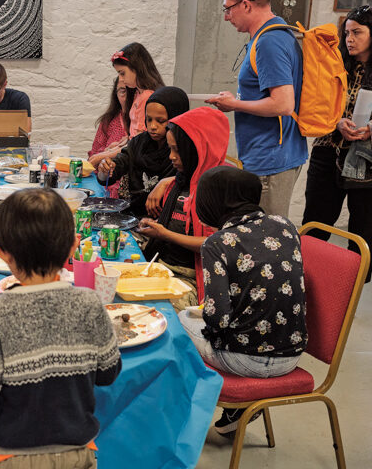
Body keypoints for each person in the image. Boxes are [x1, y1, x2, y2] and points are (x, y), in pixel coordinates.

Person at [0, 188, 121, 468]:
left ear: (0, 252)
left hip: (10, 457)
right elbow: (108, 374)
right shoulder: (89, 302)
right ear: (73, 248)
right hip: (77, 453)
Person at [181, 165, 307, 435]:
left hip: (243, 360)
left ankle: (182, 414)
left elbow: (218, 319)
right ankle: (238, 410)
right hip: (291, 356)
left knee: (177, 320)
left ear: (214, 202)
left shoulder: (217, 243)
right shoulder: (287, 226)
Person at [206, 0, 306, 218]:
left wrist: (234, 105)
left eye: (228, 9)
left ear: (246, 5)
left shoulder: (269, 42)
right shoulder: (273, 33)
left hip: (271, 157)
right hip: (271, 153)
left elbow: (283, 104)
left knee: (266, 239)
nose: (226, 17)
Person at [302, 5, 372, 283]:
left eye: (357, 32)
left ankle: (350, 288)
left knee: (363, 228)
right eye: (346, 33)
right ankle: (305, 279)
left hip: (366, 162)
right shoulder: (334, 66)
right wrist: (337, 122)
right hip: (327, 151)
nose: (349, 39)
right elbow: (314, 106)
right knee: (316, 222)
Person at [135, 107, 229, 311]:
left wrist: (165, 234)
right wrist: (155, 226)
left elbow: (217, 244)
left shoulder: (220, 189)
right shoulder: (179, 180)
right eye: (170, 149)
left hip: (191, 279)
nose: (171, 156)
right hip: (162, 266)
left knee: (157, 314)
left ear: (199, 148)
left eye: (177, 150)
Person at [95, 86, 189, 218]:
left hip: (168, 222)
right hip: (134, 216)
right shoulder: (139, 143)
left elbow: (191, 180)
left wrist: (166, 182)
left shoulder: (184, 150)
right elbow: (117, 166)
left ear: (177, 117)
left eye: (160, 121)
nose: (153, 126)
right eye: (149, 119)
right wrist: (105, 169)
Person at [111, 42, 165, 138]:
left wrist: (115, 151)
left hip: (137, 150)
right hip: (133, 146)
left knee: (100, 154)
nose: (120, 79)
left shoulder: (147, 97)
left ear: (136, 68)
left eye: (122, 73)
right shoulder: (138, 94)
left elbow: (139, 138)